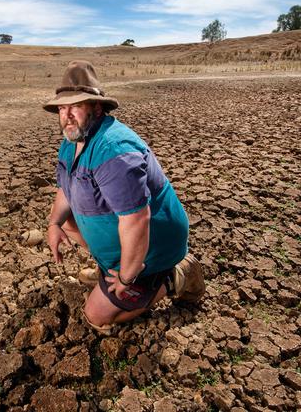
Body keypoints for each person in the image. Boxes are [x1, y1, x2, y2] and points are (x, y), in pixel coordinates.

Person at [43, 60, 205, 335]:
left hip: (154, 242)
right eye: (62, 107)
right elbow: (66, 189)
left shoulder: (114, 151)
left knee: (96, 316)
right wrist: (54, 224)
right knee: (69, 220)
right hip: (126, 240)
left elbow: (137, 219)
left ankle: (174, 275)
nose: (66, 115)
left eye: (75, 106)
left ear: (96, 107)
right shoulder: (72, 141)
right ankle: (110, 267)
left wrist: (128, 276)